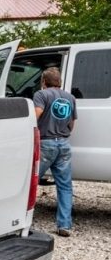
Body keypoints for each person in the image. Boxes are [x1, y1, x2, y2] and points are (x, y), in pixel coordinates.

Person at [33, 67, 77, 237]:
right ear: (59, 81)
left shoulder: (41, 95)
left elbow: (35, 115)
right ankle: (64, 225)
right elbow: (72, 124)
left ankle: (20, 219)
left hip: (46, 144)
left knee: (30, 182)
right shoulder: (70, 97)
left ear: (44, 81)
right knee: (65, 185)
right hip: (64, 144)